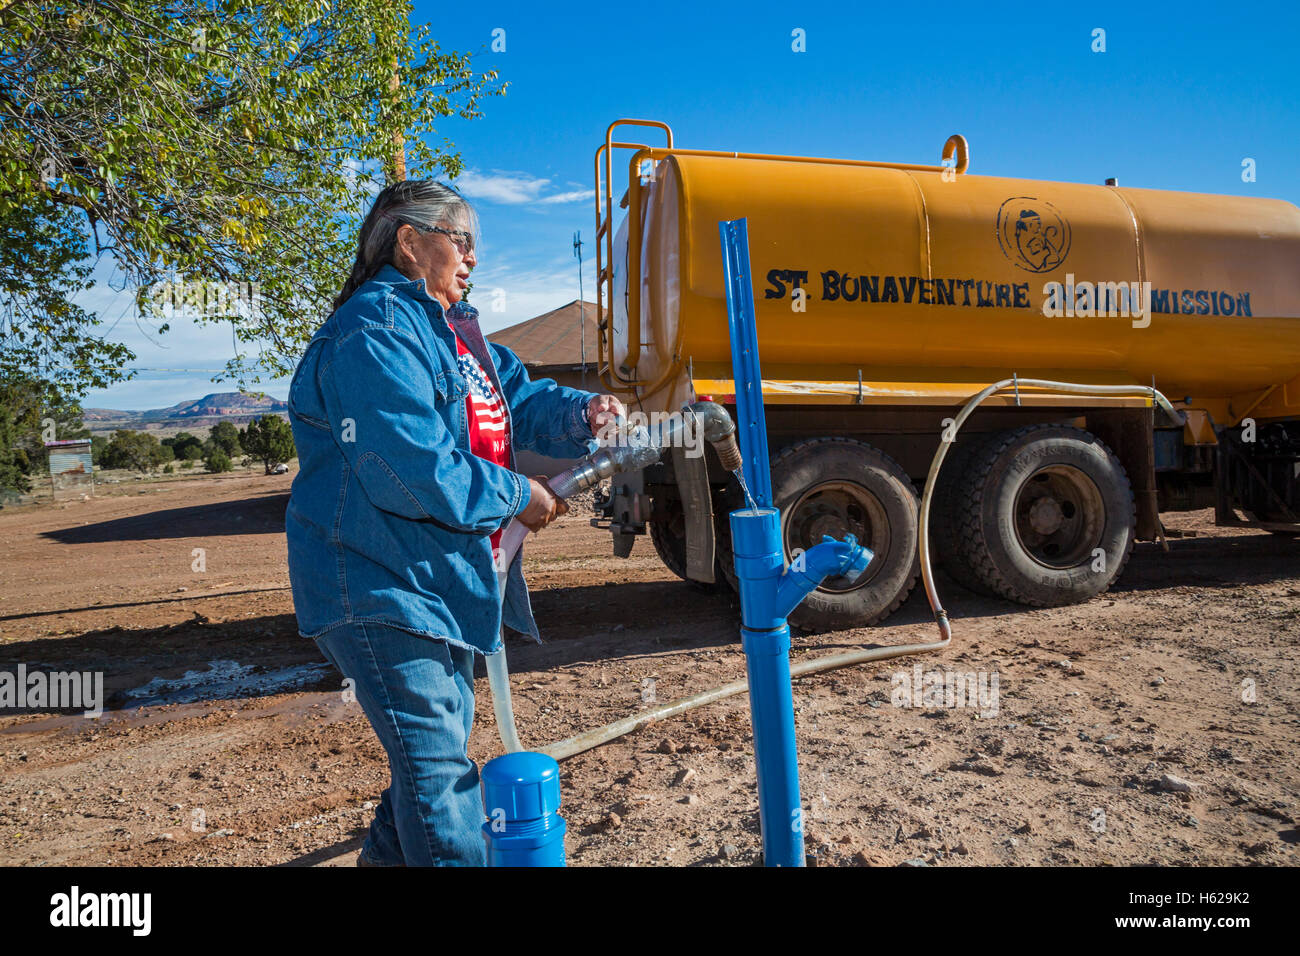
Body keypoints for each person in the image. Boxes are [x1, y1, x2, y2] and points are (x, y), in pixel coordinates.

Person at [284, 180, 625, 866]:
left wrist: (580, 414)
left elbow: (517, 397)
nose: (472, 256)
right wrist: (514, 494)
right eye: (459, 238)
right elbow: (407, 464)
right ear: (410, 243)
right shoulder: (374, 331)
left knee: (427, 761)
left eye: (476, 243)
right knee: (440, 775)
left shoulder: (455, 331)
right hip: (377, 580)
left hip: (437, 580)